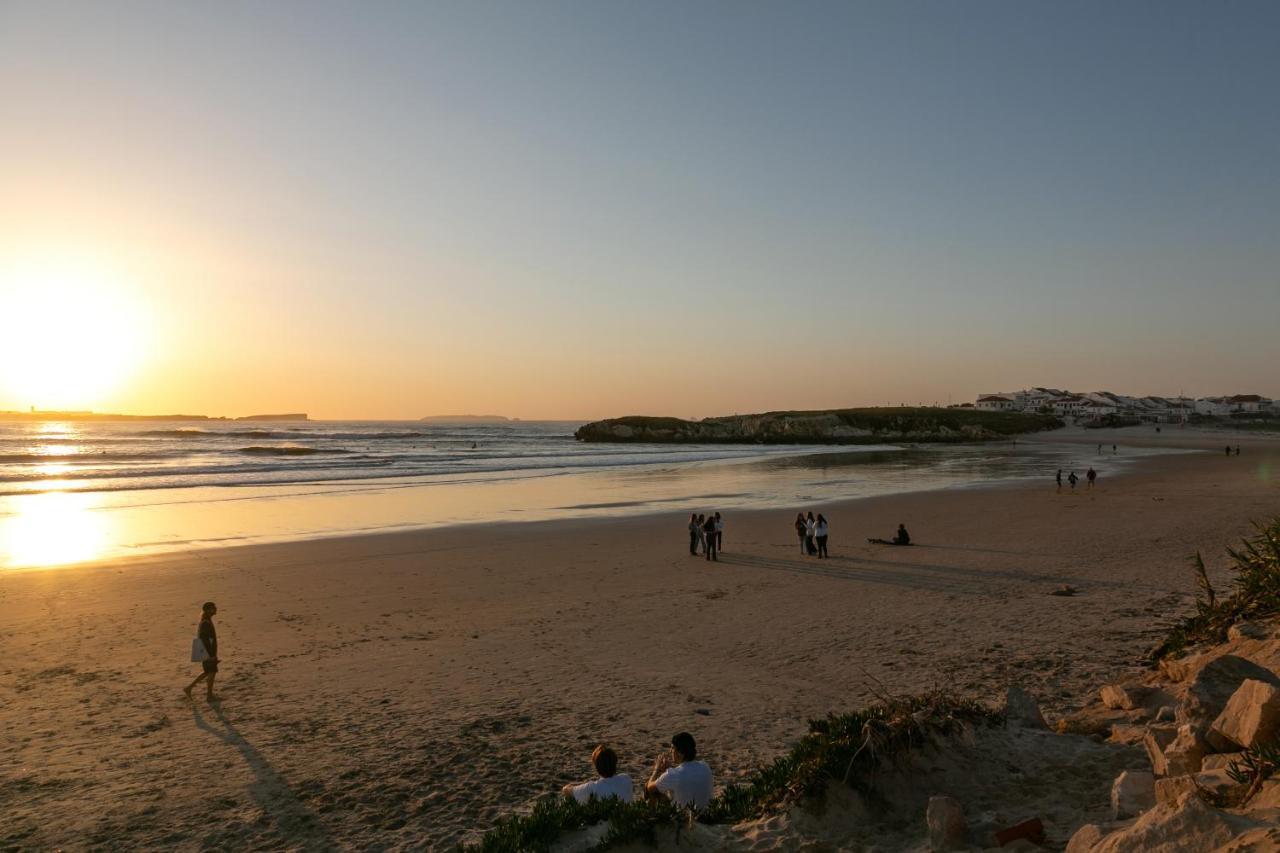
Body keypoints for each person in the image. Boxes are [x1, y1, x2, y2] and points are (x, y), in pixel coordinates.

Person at [645, 732, 713, 810]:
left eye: (673, 748)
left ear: (680, 753)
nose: (671, 751)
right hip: (708, 814)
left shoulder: (674, 774)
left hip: (685, 817)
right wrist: (666, 771)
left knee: (648, 786)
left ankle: (651, 817)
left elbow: (649, 787)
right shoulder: (705, 766)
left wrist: (656, 769)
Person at [562, 745, 633, 804]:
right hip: (625, 819)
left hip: (603, 821)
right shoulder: (626, 779)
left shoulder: (592, 787)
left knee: (570, 798)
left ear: (597, 767)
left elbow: (566, 791)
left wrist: (570, 786)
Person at [184, 601, 220, 702]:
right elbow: (205, 640)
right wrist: (210, 655)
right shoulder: (205, 622)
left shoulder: (206, 620)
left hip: (206, 651)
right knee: (211, 672)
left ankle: (189, 688)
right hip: (207, 652)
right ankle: (209, 696)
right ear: (208, 610)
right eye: (213, 608)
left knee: (209, 672)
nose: (216, 609)